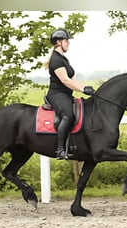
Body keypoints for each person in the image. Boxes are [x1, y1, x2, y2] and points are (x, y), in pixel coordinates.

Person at [45, 29, 95, 160]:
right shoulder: (56, 60)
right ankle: (60, 150)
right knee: (68, 115)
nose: (68, 43)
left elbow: (71, 78)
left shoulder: (63, 59)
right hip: (57, 94)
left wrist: (84, 87)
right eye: (66, 41)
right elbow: (65, 80)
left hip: (65, 94)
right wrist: (82, 90)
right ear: (58, 42)